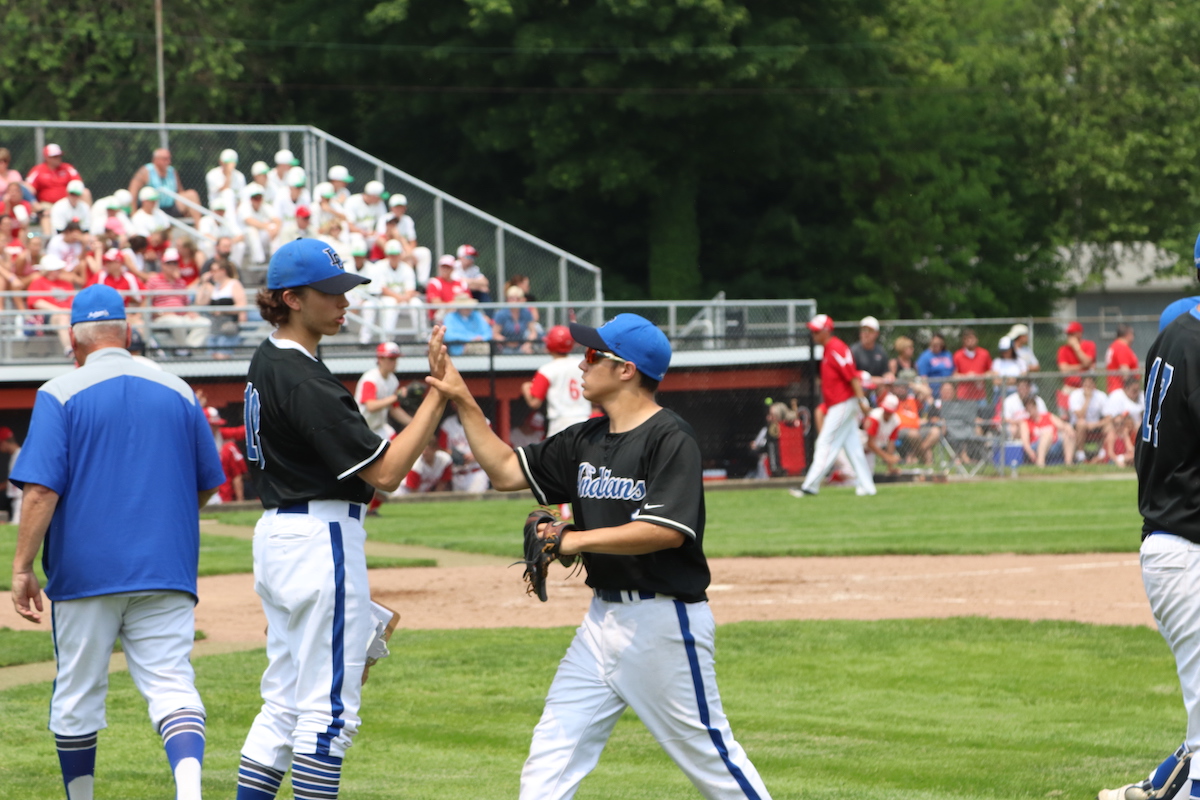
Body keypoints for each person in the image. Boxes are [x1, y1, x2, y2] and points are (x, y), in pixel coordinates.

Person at [425, 311, 774, 800]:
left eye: (593, 355)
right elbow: (505, 470)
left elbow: (663, 531)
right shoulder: (585, 439)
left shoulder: (670, 437)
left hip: (661, 625)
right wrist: (461, 398)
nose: (581, 364)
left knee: (712, 761)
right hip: (599, 623)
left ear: (627, 369)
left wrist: (572, 541)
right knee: (551, 754)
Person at [234, 239, 451, 800]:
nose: (343, 301)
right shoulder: (304, 377)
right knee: (328, 714)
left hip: (282, 535)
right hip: (318, 535)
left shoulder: (268, 358)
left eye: (344, 289)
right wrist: (438, 397)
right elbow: (386, 474)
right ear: (292, 299)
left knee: (283, 705)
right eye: (330, 292)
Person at [9, 284, 224, 800]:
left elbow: (40, 490)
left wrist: (22, 566)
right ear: (128, 334)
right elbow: (208, 481)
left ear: (73, 340)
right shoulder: (176, 389)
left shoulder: (58, 392)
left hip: (86, 571)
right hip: (166, 566)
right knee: (173, 685)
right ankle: (190, 792)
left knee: (79, 693)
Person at [1097, 298, 1200, 800]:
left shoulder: (1173, 342)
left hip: (1173, 548)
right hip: (1186, 554)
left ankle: (1154, 789)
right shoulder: (1192, 347)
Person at [792, 314, 875, 497]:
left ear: (826, 331)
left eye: (816, 331)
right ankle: (868, 487)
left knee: (825, 442)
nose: (813, 334)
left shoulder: (836, 347)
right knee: (853, 447)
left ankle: (810, 486)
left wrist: (862, 401)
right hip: (839, 403)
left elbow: (851, 375)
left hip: (843, 402)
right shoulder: (829, 349)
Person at [522, 325, 592, 436]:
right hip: (585, 420)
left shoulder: (546, 369)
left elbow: (534, 403)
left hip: (560, 423)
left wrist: (525, 388)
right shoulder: (581, 364)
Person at [355, 341, 414, 441]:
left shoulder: (393, 380)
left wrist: (414, 423)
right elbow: (371, 406)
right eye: (391, 358)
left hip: (380, 427)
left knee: (396, 449)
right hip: (361, 429)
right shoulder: (370, 379)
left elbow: (394, 408)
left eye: (395, 358)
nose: (394, 362)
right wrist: (396, 397)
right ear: (380, 359)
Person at [128, 148, 201, 223]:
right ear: (155, 159)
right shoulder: (145, 172)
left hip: (171, 206)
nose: (169, 161)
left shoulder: (172, 171)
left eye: (169, 158)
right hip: (153, 209)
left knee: (192, 195)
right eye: (165, 159)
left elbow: (180, 192)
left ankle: (200, 229)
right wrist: (134, 214)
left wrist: (187, 210)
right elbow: (133, 193)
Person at [195, 258, 247, 359]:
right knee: (211, 356)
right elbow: (200, 303)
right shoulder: (214, 287)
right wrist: (204, 283)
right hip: (214, 326)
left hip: (228, 326)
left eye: (214, 271)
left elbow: (241, 305)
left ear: (223, 271)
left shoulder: (234, 284)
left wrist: (223, 311)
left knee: (222, 356)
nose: (211, 273)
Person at [206, 407, 248, 504]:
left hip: (221, 494)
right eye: (212, 425)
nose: (215, 428)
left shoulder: (220, 435)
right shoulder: (194, 439)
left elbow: (240, 432)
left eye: (216, 425)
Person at [1019, 396, 1075, 467]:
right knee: (1047, 434)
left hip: (1053, 445)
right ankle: (1040, 463)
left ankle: (1069, 463)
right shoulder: (1025, 422)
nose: (1031, 410)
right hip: (1036, 446)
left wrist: (1069, 428)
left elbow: (1063, 425)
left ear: (1036, 407)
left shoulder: (1048, 416)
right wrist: (1030, 453)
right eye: (1028, 408)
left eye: (1032, 407)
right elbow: (1025, 442)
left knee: (1067, 433)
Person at [1102, 376, 1145, 467]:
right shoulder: (1117, 396)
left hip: (1136, 431)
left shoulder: (1142, 397)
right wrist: (1121, 425)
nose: (1136, 393)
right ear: (1126, 388)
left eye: (1137, 390)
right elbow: (1108, 419)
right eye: (1134, 390)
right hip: (1120, 431)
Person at [1067, 374, 1107, 462]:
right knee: (1081, 423)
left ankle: (1102, 454)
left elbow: (1108, 417)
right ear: (1082, 384)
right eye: (1086, 384)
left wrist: (1096, 424)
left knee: (1109, 426)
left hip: (1096, 425)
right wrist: (1087, 399)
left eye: (1090, 384)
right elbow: (1080, 416)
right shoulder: (1075, 395)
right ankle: (1081, 455)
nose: (1088, 387)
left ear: (1094, 385)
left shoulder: (1101, 395)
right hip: (1078, 425)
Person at [862, 393, 902, 475]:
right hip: (857, 449)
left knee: (867, 477)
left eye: (889, 412)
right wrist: (887, 457)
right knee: (850, 475)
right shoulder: (875, 417)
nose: (887, 413)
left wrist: (890, 467)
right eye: (886, 411)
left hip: (869, 453)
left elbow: (891, 443)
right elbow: (870, 443)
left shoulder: (895, 421)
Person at [494, 284, 541, 352]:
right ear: (507, 300)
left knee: (529, 351)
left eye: (517, 299)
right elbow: (495, 334)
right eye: (511, 299)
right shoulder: (501, 314)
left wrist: (527, 344)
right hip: (505, 347)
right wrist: (508, 342)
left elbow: (533, 332)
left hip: (522, 344)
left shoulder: (526, 313)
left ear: (522, 300)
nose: (514, 301)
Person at [952, 328, 991, 401]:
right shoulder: (957, 355)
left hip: (980, 395)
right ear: (963, 341)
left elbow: (991, 372)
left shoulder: (984, 354)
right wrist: (967, 377)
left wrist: (978, 377)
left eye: (972, 338)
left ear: (976, 339)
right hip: (963, 396)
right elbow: (954, 375)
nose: (970, 341)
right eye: (967, 339)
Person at [1057, 320, 1096, 389]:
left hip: (1087, 385)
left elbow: (1087, 362)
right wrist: (1083, 366)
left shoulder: (1089, 345)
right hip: (1070, 386)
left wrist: (1076, 347)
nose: (1069, 336)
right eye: (1068, 334)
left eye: (1071, 334)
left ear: (1079, 333)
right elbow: (1063, 369)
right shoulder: (1063, 349)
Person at [1105, 323, 1139, 394]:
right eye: (1132, 335)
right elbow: (1125, 373)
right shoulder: (1122, 348)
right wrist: (1132, 390)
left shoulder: (1114, 345)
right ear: (1128, 335)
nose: (1133, 338)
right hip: (1122, 390)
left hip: (1114, 389)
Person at [0, 426, 21, 526]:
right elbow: (10, 482)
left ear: (4, 442)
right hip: (17, 501)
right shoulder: (15, 455)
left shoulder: (20, 455)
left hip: (21, 500)